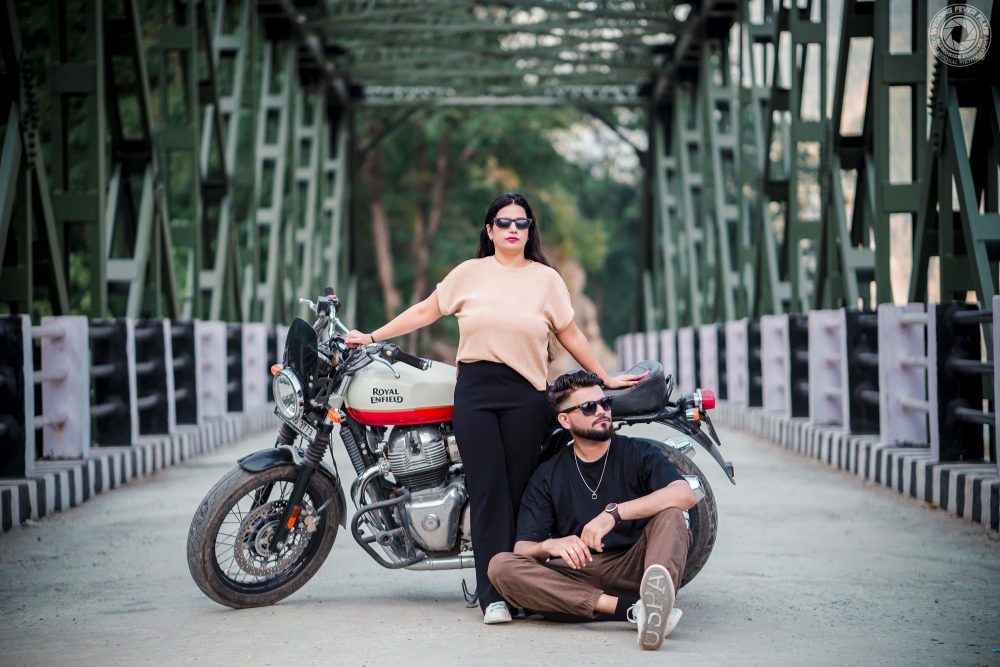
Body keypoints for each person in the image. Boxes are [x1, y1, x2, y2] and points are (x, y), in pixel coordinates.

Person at [344, 192, 646, 624]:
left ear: (529, 231)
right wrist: (372, 337)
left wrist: (604, 377)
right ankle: (494, 597)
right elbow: (426, 311)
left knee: (521, 492)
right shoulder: (469, 273)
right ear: (489, 230)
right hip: (476, 393)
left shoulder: (546, 279)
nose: (512, 230)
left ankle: (525, 586)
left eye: (521, 224)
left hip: (526, 394)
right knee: (487, 491)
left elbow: (571, 333)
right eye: (503, 223)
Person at [487, 370, 697, 650]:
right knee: (500, 566)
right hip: (576, 576)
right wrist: (552, 545)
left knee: (671, 514)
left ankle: (652, 599)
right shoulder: (548, 474)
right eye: (589, 407)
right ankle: (633, 610)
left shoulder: (639, 453)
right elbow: (523, 548)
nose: (602, 411)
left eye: (605, 404)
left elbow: (685, 494)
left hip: (636, 565)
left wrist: (614, 513)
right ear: (565, 420)